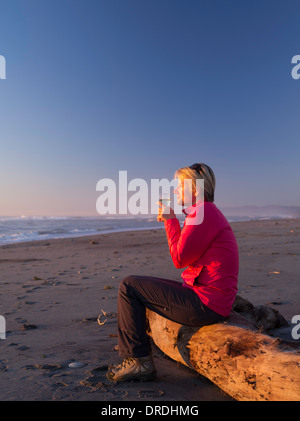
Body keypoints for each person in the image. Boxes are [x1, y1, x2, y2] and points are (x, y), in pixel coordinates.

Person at [106, 163, 239, 383]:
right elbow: (188, 256)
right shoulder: (204, 213)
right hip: (208, 297)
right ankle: (134, 344)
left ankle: (140, 363)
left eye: (179, 185)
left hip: (206, 304)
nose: (176, 190)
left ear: (194, 189)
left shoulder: (203, 213)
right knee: (139, 286)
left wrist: (170, 220)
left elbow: (179, 259)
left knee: (129, 286)